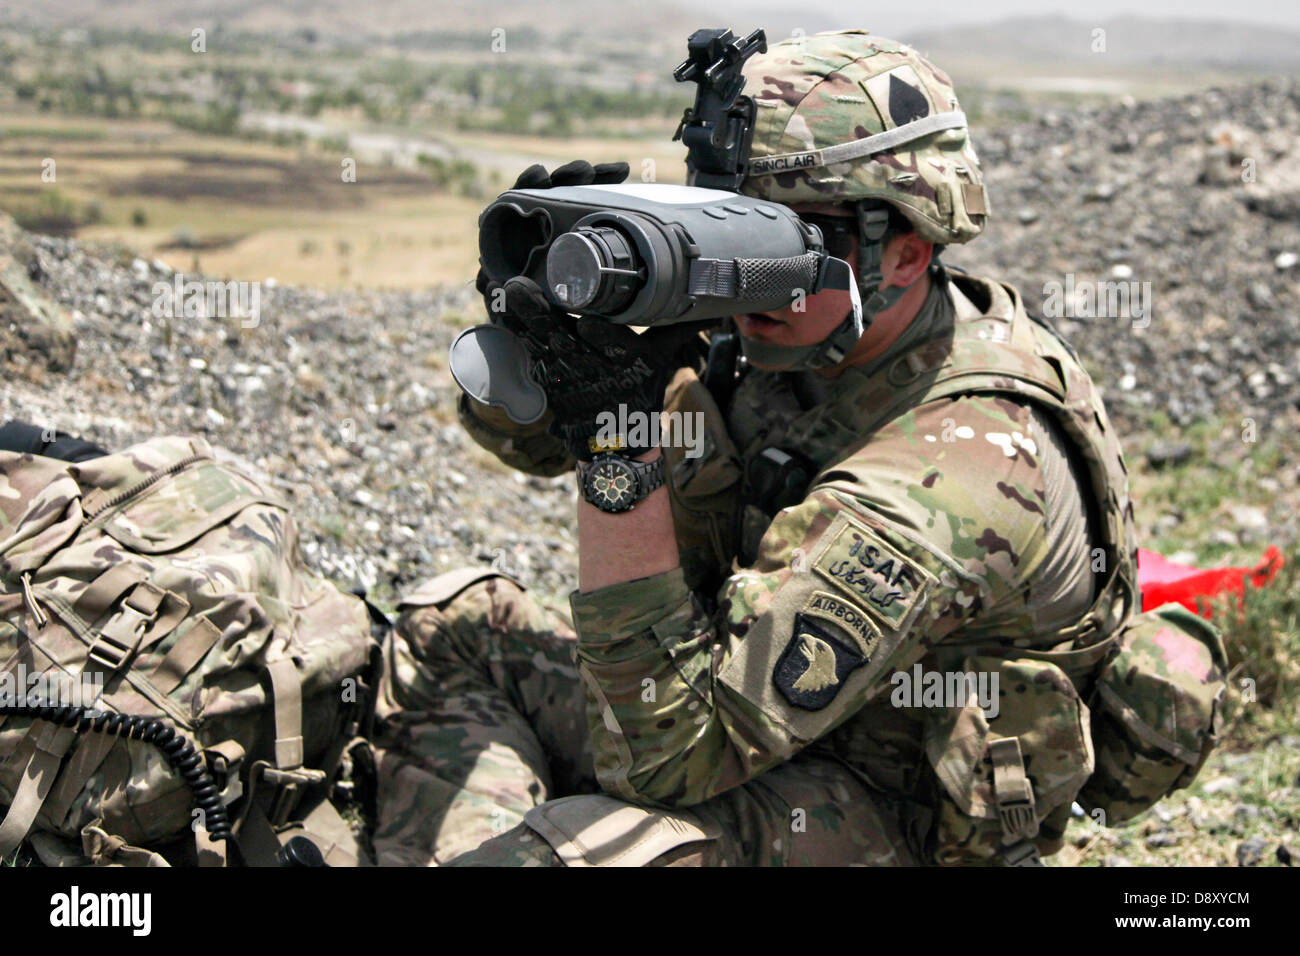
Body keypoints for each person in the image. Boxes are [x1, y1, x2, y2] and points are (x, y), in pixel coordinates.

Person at [370, 28, 1140, 867]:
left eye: (788, 236)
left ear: (909, 249)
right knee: (455, 628)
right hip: (736, 717)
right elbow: (531, 449)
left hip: (885, 809)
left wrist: (614, 443)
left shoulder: (959, 465)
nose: (745, 267)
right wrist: (540, 338)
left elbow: (665, 760)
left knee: (588, 850)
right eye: (726, 222)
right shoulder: (792, 325)